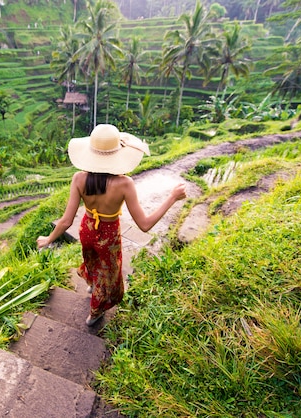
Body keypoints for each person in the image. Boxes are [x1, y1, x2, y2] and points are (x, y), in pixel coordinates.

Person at [36, 124, 187, 326]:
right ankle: (95, 313)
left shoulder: (79, 178)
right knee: (108, 274)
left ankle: (91, 283)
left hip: (87, 229)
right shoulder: (125, 184)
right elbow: (145, 225)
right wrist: (172, 198)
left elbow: (66, 221)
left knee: (90, 257)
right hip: (109, 237)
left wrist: (48, 239)